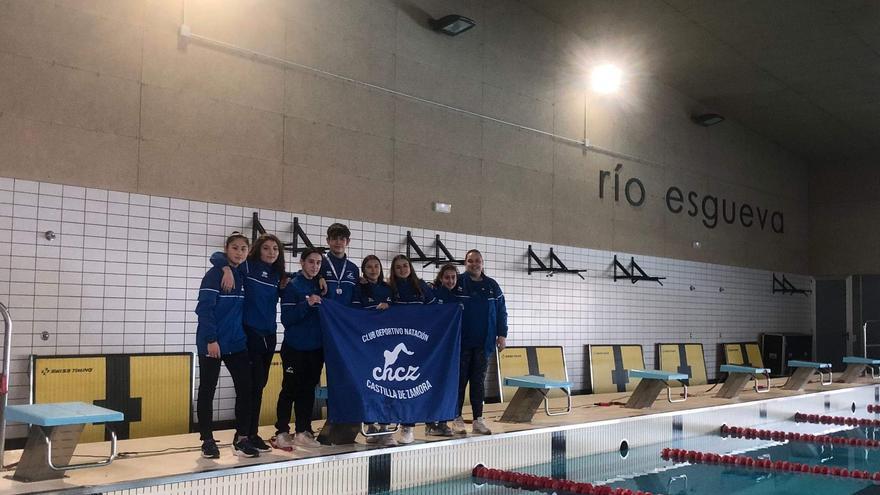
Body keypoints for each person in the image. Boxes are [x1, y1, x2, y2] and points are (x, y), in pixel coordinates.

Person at [211, 234, 287, 452]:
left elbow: (301, 279)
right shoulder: (248, 267)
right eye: (266, 248)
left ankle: (252, 433)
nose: (271, 252)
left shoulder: (278, 275)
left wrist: (319, 277)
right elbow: (217, 256)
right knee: (248, 387)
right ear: (257, 251)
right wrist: (225, 268)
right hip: (250, 334)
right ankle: (241, 436)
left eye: (275, 249)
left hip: (269, 336)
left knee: (259, 387)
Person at [194, 233, 259, 458]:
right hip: (212, 343)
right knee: (207, 390)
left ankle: (241, 438)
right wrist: (211, 340)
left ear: (248, 252)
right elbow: (204, 310)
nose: (239, 252)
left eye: (243, 248)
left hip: (236, 342)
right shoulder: (214, 275)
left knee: (246, 388)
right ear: (226, 249)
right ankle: (207, 440)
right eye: (234, 248)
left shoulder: (241, 273)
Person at [272, 247, 325, 450]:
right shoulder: (292, 286)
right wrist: (308, 304)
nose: (314, 266)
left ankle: (303, 429)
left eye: (318, 263)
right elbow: (287, 319)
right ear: (302, 262)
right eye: (311, 262)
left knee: (308, 391)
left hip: (315, 348)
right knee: (290, 389)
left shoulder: (321, 285)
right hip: (295, 347)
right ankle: (282, 431)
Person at [452, 249, 508, 436]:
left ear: (482, 263)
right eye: (470, 261)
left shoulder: (492, 286)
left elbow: (501, 312)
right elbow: (439, 294)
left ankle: (478, 420)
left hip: (484, 343)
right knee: (459, 382)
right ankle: (456, 418)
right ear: (465, 263)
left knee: (478, 382)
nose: (474, 264)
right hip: (461, 343)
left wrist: (502, 335)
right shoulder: (457, 283)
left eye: (477, 261)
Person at [387, 254, 436, 444]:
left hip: (416, 345)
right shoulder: (389, 288)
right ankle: (388, 426)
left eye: (405, 266)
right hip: (394, 343)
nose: (402, 269)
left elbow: (436, 310)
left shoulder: (421, 285)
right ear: (393, 270)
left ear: (410, 267)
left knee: (411, 388)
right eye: (398, 267)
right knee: (392, 388)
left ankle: (408, 427)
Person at [351, 255, 396, 446]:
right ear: (363, 270)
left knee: (387, 386)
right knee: (369, 386)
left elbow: (399, 314)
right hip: (367, 345)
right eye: (368, 267)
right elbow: (353, 314)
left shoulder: (388, 289)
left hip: (386, 345)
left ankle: (385, 427)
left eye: (376, 266)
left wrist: (389, 307)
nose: (373, 269)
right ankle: (370, 425)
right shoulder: (358, 289)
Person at [423, 263, 464, 437]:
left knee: (446, 385)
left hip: (451, 349)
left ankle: (443, 421)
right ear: (441, 278)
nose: (450, 280)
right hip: (433, 348)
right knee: (431, 384)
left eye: (453, 277)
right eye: (447, 277)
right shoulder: (433, 293)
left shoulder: (459, 296)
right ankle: (430, 423)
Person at [320, 223, 359, 304]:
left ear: (347, 241)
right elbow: (303, 275)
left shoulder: (353, 268)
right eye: (334, 238)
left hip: (345, 315)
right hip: (324, 314)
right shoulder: (319, 262)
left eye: (342, 239)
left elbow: (356, 297)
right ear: (328, 241)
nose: (338, 242)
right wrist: (318, 277)